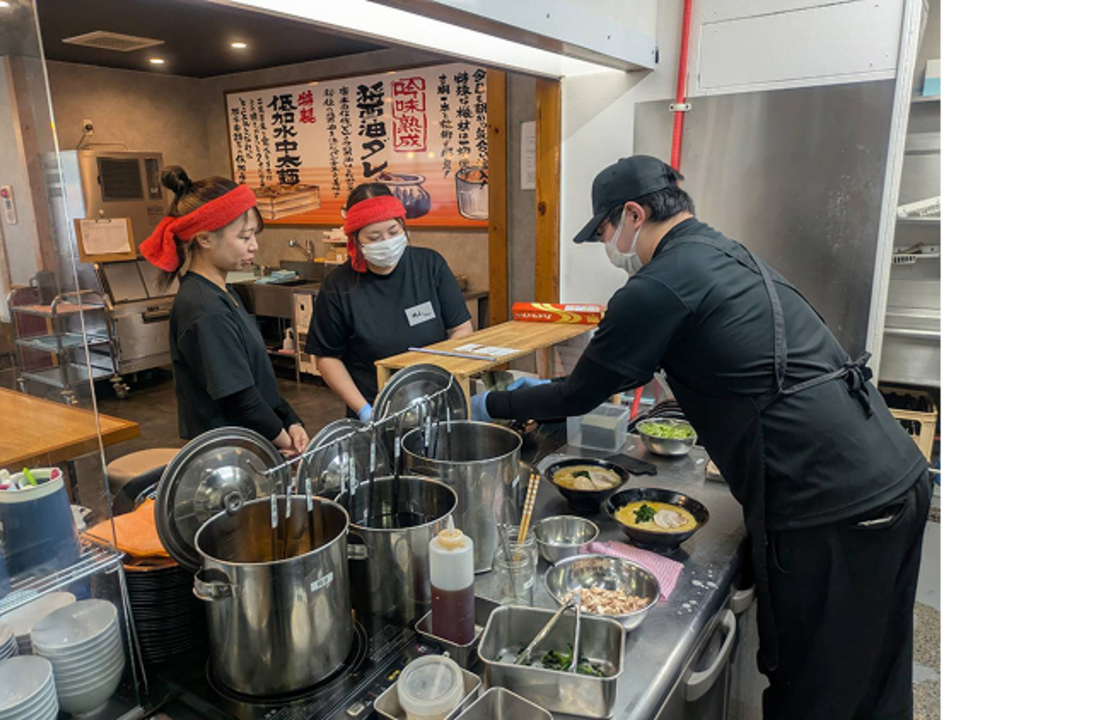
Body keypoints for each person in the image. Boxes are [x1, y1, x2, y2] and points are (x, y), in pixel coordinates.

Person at [472, 156, 931, 719]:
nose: (608, 246)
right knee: (876, 672)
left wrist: (493, 401)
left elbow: (577, 395)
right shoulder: (724, 253)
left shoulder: (657, 285)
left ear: (634, 214)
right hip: (891, 474)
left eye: (604, 232)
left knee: (815, 688)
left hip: (829, 505)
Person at [140, 166, 308, 456]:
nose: (254, 246)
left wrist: (290, 419)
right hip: (227, 455)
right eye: (244, 237)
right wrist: (285, 442)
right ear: (204, 239)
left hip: (250, 442)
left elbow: (257, 381)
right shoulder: (204, 309)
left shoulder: (224, 293)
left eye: (254, 235)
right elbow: (239, 399)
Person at [306, 183, 473, 421]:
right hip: (375, 409)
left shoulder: (430, 265)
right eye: (374, 237)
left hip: (436, 403)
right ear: (356, 240)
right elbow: (326, 358)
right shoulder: (339, 285)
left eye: (393, 232)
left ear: (403, 226)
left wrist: (439, 380)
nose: (386, 241)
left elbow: (461, 329)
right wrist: (364, 410)